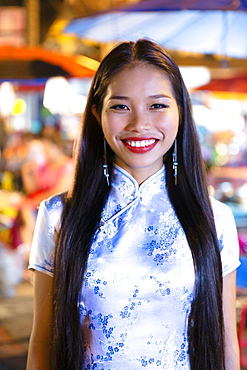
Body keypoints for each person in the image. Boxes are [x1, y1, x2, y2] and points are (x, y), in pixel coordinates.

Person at [26, 39, 240, 370]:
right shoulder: (58, 215)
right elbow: (42, 342)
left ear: (181, 111)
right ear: (97, 114)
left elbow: (225, 346)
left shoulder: (215, 219)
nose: (139, 124)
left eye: (157, 105)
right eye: (121, 106)